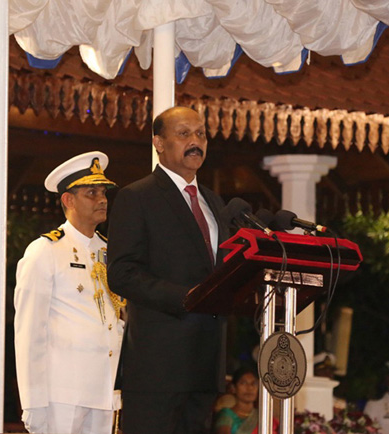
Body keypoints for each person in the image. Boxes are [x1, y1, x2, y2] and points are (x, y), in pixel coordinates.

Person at [107, 106, 229, 434]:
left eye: (201, 134)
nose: (196, 141)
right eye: (184, 133)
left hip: (205, 365)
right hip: (157, 368)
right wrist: (185, 297)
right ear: (159, 143)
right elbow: (121, 272)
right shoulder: (137, 197)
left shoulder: (215, 203)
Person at [14, 151, 124, 434]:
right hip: (61, 393)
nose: (102, 199)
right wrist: (33, 400)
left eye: (103, 192)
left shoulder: (110, 252)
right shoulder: (46, 251)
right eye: (91, 193)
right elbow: (29, 332)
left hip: (104, 389)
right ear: (68, 200)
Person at [214, 366, 278, 434]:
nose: (249, 388)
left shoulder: (263, 415)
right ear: (233, 388)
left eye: (254, 383)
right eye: (243, 383)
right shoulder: (226, 415)